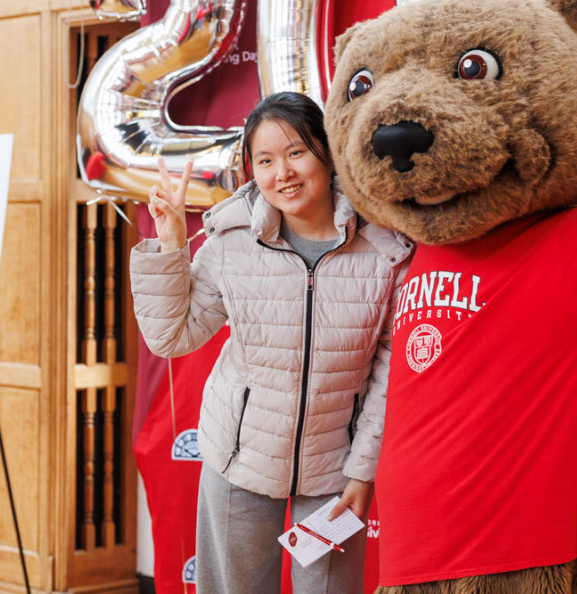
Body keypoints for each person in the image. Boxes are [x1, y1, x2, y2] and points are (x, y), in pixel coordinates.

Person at [130, 91, 412, 594]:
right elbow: (172, 335)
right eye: (265, 160)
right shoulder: (231, 241)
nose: (282, 172)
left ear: (327, 153)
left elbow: (389, 376)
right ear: (251, 170)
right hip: (238, 459)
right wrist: (173, 242)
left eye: (296, 152)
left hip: (334, 470)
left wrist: (363, 472)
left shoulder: (384, 249)